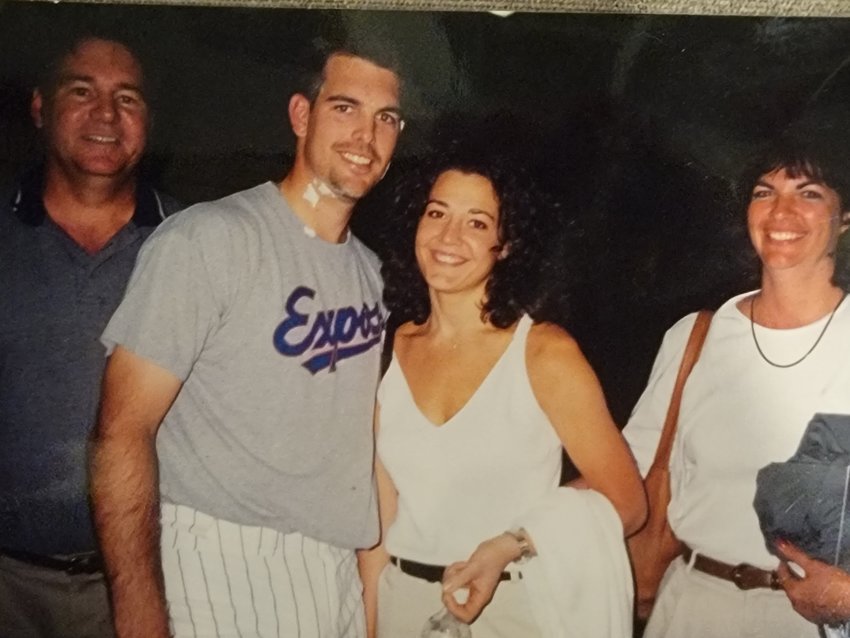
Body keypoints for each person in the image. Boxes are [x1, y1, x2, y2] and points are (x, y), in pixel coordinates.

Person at [89, 39, 405, 638]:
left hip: (332, 567)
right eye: (345, 108)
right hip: (221, 560)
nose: (366, 137)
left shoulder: (375, 276)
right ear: (301, 116)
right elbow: (121, 431)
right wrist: (136, 608)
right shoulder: (209, 241)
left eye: (384, 118)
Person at [358, 152, 646, 638]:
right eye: (437, 213)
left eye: (477, 222)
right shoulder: (389, 347)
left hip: (512, 610)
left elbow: (627, 502)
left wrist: (510, 544)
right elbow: (379, 527)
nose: (449, 237)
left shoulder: (542, 352)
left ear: (505, 244)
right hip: (403, 606)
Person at [623, 137, 850, 638]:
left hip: (810, 623)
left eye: (809, 193)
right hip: (690, 606)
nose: (781, 212)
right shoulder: (696, 337)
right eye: (764, 192)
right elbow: (621, 470)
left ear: (845, 216)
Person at [0, 34, 176, 637]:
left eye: (127, 98)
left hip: (150, 581)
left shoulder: (195, 245)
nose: (106, 114)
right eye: (83, 91)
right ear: (40, 107)